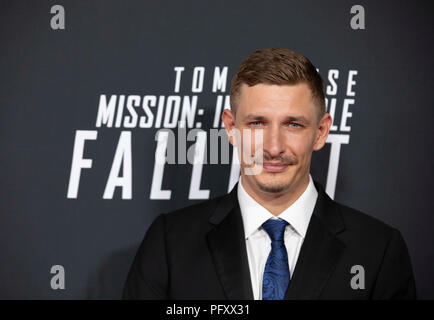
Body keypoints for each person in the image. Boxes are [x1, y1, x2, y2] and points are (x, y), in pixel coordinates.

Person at [122, 48, 416, 300]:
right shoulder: (170, 244)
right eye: (257, 123)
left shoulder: (377, 250)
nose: (274, 148)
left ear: (321, 131)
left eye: (293, 125)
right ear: (231, 128)